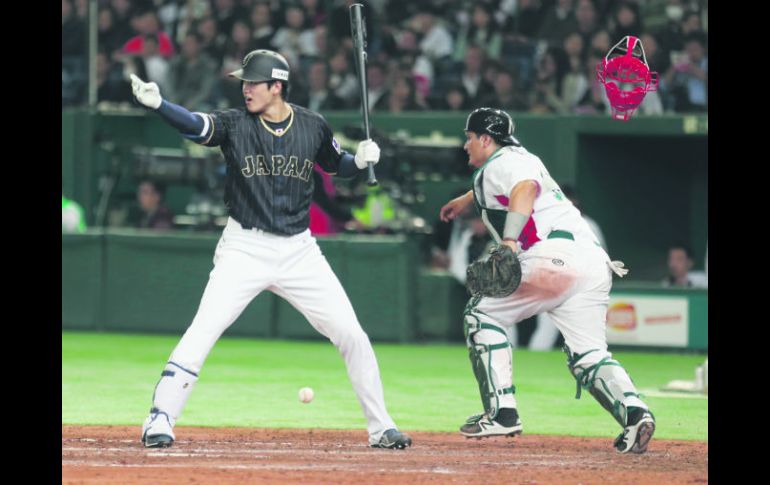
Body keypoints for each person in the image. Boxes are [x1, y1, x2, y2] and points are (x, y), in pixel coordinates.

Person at [129, 49, 412, 450]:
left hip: (299, 250)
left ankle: (381, 426)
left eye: (252, 83)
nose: (245, 89)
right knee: (204, 330)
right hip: (245, 246)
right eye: (243, 83)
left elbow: (337, 164)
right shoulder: (234, 124)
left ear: (276, 86)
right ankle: (159, 419)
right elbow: (197, 126)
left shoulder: (311, 125)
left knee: (351, 334)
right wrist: (160, 105)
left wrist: (361, 160)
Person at [439, 107, 655, 454]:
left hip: (553, 258)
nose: (465, 145)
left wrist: (508, 241)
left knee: (481, 314)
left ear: (485, 139)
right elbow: (515, 183)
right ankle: (635, 412)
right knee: (589, 355)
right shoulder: (518, 158)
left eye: (468, 138)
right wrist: (466, 200)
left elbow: (524, 187)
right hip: (593, 264)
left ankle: (502, 412)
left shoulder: (503, 162)